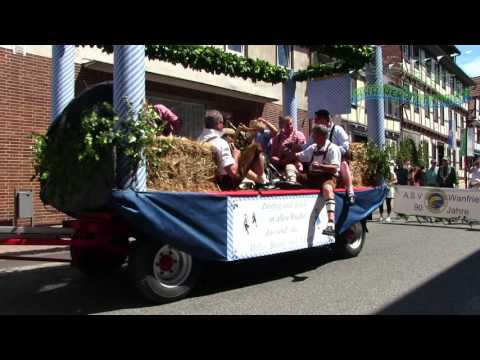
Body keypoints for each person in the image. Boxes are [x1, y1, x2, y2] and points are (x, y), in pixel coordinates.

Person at [197, 110, 269, 190]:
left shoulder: (198, 141)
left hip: (208, 180)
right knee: (256, 147)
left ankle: (260, 179)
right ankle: (263, 180)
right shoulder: (220, 143)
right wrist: (236, 156)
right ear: (219, 124)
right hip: (224, 184)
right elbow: (233, 172)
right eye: (223, 123)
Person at [293, 125, 341, 236]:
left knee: (327, 189)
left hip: (328, 177)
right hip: (313, 177)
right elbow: (299, 156)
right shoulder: (313, 147)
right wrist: (292, 152)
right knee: (293, 175)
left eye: (315, 134)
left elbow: (335, 168)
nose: (313, 136)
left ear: (322, 136)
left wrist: (320, 166)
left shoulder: (333, 148)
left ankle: (331, 224)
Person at [308, 109, 355, 205]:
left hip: (335, 161)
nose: (315, 121)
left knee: (344, 164)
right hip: (321, 161)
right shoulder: (316, 132)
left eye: (317, 119)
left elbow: (345, 145)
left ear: (326, 119)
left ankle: (350, 192)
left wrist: (335, 151)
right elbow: (308, 145)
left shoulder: (337, 130)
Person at [270, 116, 306, 183]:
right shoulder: (277, 137)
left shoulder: (299, 135)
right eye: (287, 125)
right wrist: (278, 160)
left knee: (293, 167)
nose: (289, 126)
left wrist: (295, 147)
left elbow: (304, 152)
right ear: (282, 125)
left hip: (295, 161)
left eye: (290, 124)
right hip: (281, 162)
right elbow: (273, 155)